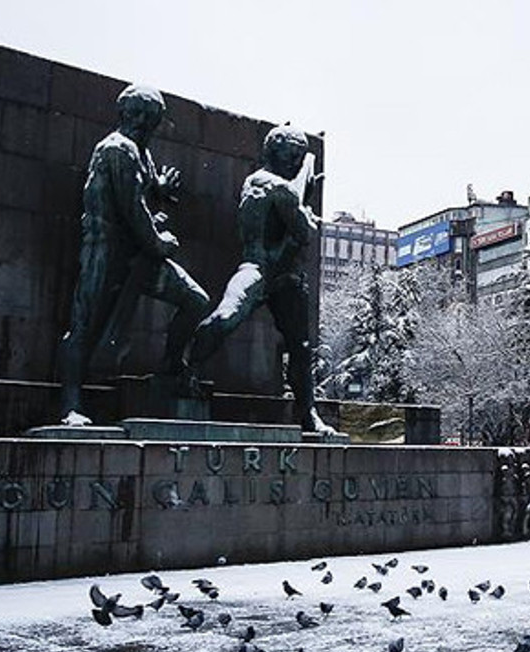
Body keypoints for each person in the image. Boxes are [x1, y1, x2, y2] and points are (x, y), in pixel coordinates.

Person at [56, 84, 210, 425]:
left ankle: (171, 367)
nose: (141, 121)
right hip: (106, 249)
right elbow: (132, 210)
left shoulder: (141, 152)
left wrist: (160, 188)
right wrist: (159, 242)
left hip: (138, 255)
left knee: (196, 301)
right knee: (86, 325)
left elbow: (144, 187)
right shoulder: (117, 148)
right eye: (135, 113)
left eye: (149, 117)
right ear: (122, 113)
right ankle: (70, 404)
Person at [188, 125, 334, 434]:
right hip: (267, 270)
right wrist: (305, 209)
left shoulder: (254, 181)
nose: (295, 162)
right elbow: (305, 232)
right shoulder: (278, 187)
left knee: (293, 342)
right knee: (235, 320)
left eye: (299, 157)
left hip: (271, 272)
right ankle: (308, 414)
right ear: (273, 152)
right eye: (291, 155)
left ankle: (185, 367)